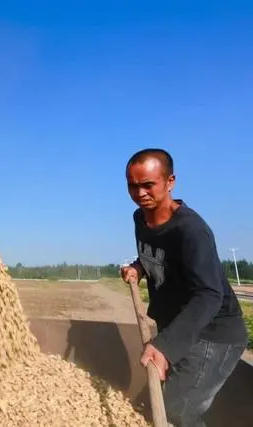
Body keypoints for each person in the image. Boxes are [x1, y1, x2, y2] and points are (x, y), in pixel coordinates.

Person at [120, 148, 248, 427]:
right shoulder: (140, 218)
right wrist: (138, 267)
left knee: (177, 411)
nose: (140, 193)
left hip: (213, 333)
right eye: (133, 185)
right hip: (179, 324)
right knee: (165, 404)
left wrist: (165, 346)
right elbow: (154, 254)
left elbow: (209, 294)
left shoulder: (191, 230)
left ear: (170, 182)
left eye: (148, 185)